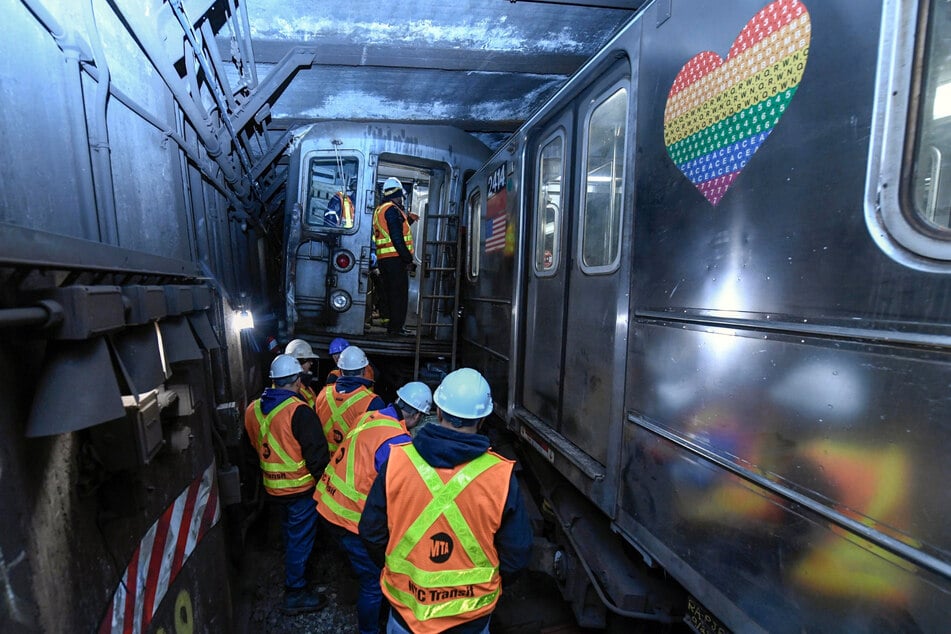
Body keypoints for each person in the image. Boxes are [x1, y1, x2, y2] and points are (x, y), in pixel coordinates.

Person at [359, 368, 533, 634]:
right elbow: (517, 554)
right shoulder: (501, 476)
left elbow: (371, 532)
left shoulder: (397, 462)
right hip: (470, 619)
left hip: (406, 614)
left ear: (437, 412)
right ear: (483, 419)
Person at [315, 382, 433, 634]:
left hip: (327, 504)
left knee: (357, 564)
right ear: (415, 415)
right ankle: (369, 630)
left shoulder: (370, 416)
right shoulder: (397, 442)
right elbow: (398, 493)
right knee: (373, 580)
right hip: (350, 517)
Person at [244, 354, 330, 614]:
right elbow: (317, 456)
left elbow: (250, 450)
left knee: (289, 534)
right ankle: (295, 592)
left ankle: (293, 570)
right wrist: (324, 487)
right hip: (299, 490)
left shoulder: (252, 409)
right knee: (300, 539)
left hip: (272, 489)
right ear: (296, 381)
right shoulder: (299, 411)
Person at [315, 345, 385, 455]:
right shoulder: (373, 401)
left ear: (340, 370)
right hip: (351, 465)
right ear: (364, 370)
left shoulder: (323, 394)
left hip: (324, 462)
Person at [372, 177, 418, 337]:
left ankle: (394, 327)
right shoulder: (392, 209)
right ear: (397, 194)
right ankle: (396, 329)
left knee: (391, 294)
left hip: (385, 260)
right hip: (395, 260)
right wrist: (407, 259)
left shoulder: (380, 210)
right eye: (401, 196)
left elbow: (389, 233)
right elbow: (397, 238)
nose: (401, 200)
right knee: (399, 295)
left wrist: (409, 220)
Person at [285, 338, 319, 409]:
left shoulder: (307, 388)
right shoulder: (291, 390)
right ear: (299, 362)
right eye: (309, 360)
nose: (311, 363)